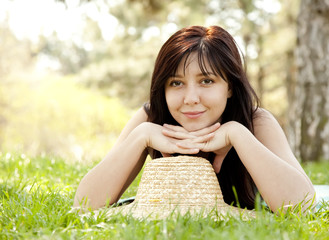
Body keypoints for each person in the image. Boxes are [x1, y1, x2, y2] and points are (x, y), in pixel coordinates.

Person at [73, 25, 315, 213]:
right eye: (176, 83)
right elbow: (85, 205)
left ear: (229, 86)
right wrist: (140, 136)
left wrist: (238, 135)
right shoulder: (152, 118)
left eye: (206, 81)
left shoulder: (256, 122)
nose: (190, 98)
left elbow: (302, 205)